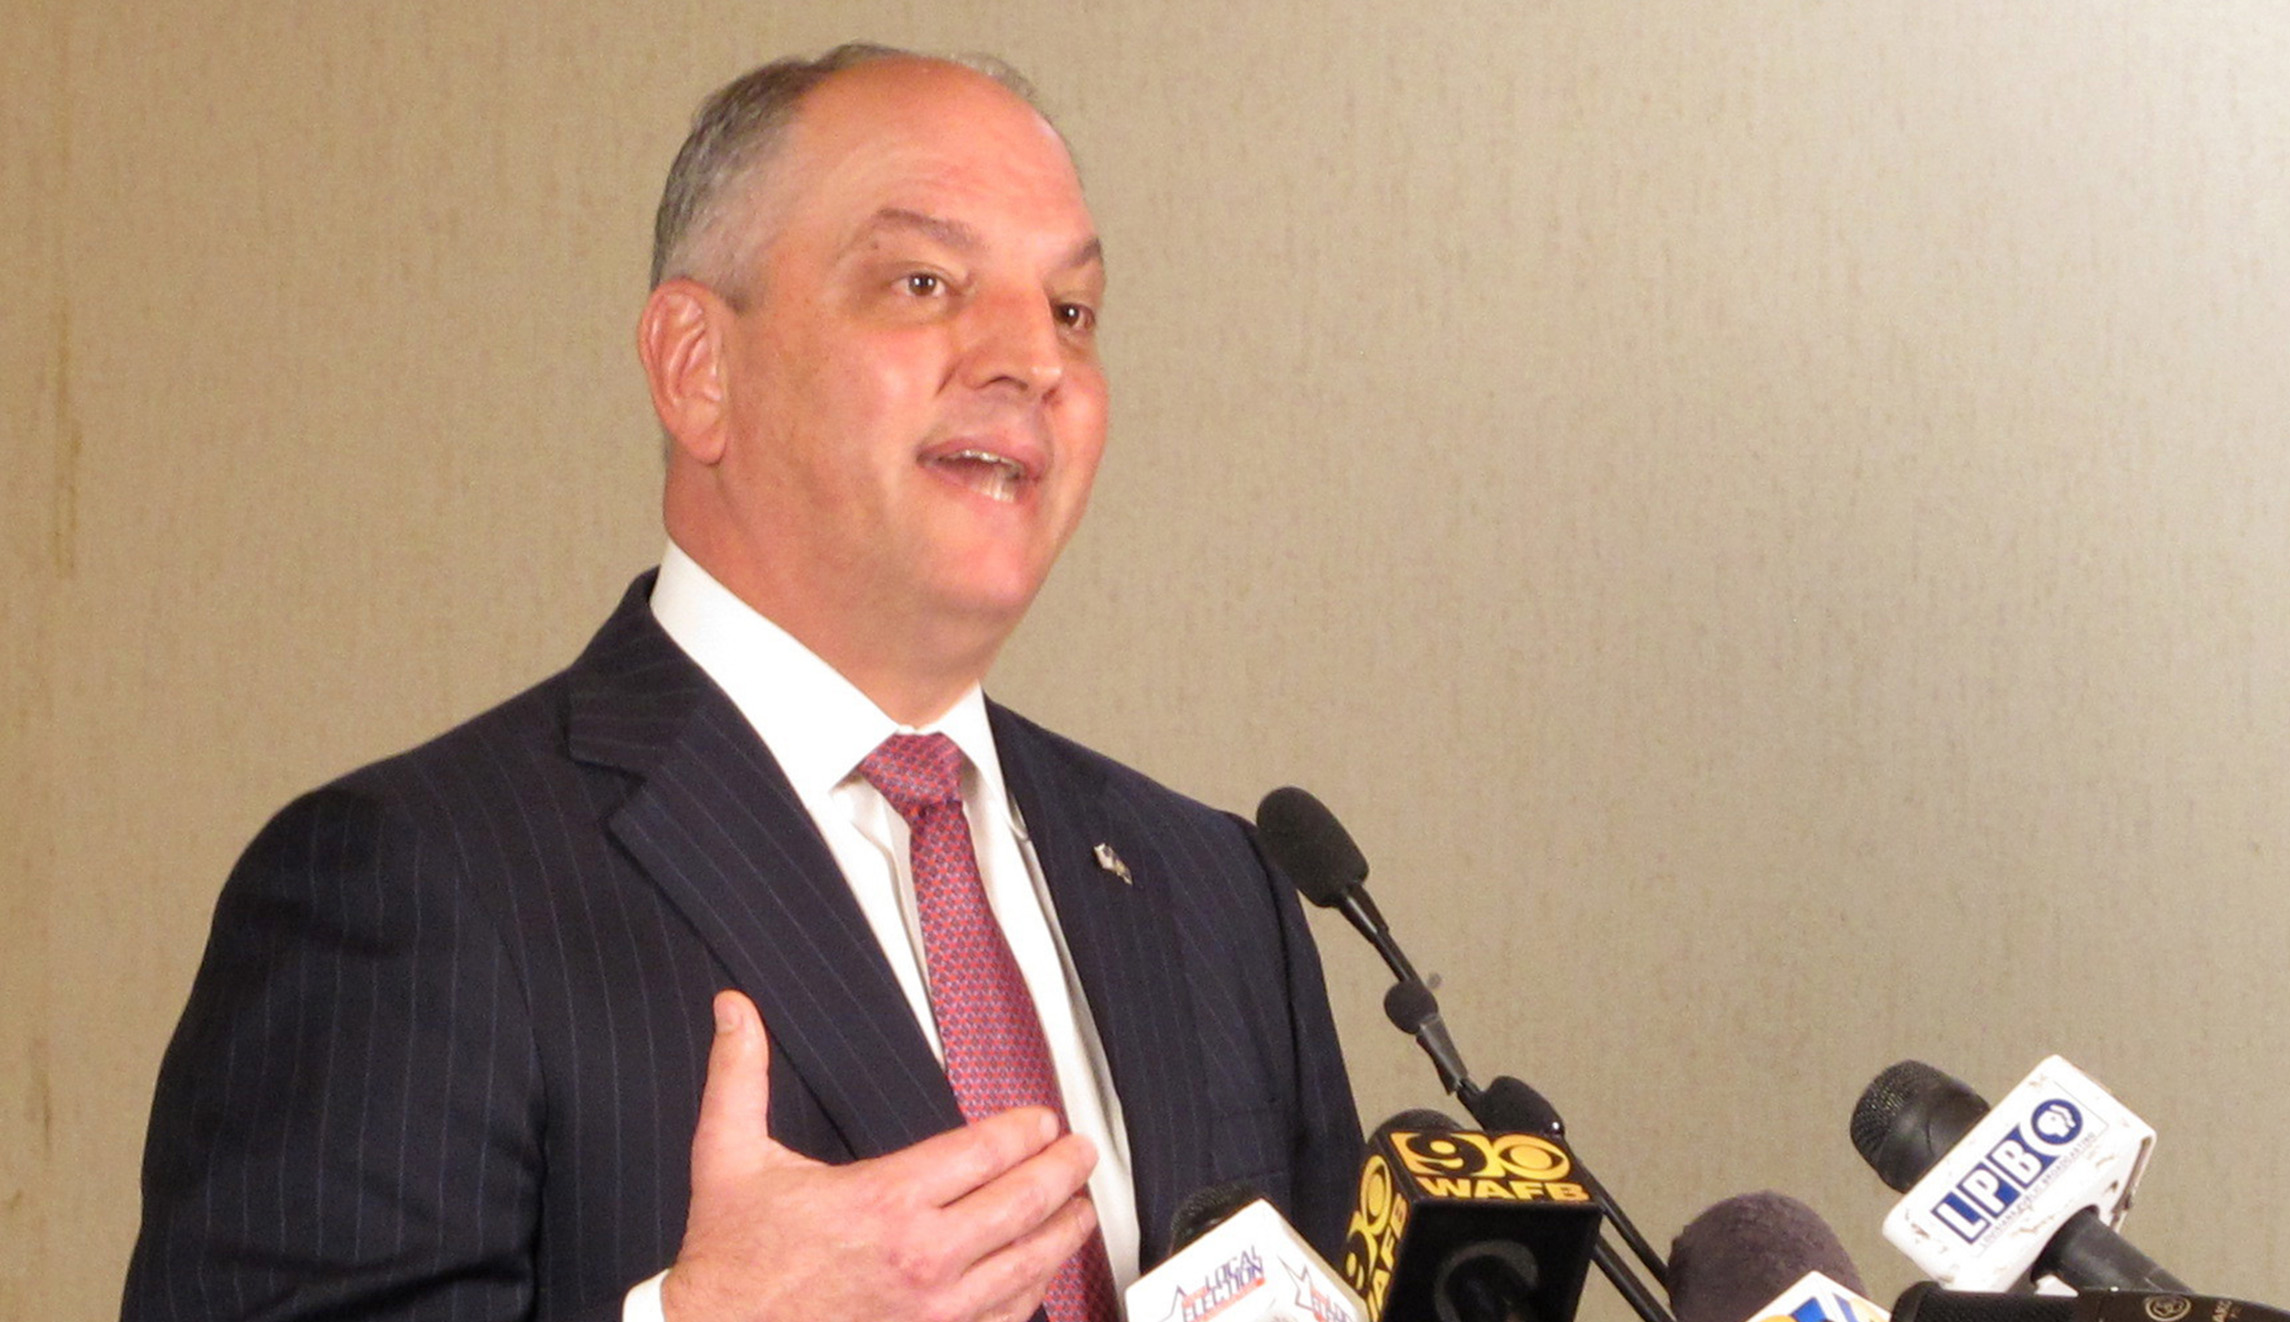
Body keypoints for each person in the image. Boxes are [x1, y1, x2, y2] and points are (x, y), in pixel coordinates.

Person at [122, 42, 1362, 1322]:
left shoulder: (1217, 891)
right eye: (925, 282)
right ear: (696, 368)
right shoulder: (414, 880)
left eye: (1071, 312)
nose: (1031, 360)